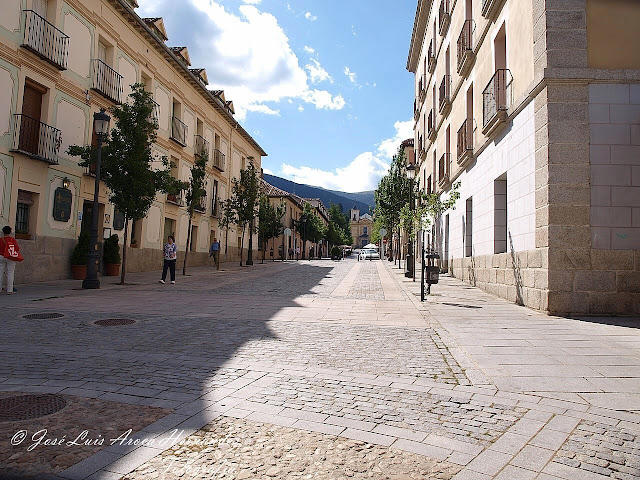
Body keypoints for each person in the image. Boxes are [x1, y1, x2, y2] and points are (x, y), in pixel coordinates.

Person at [0, 226, 23, 294]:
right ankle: (9, 290)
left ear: (3, 232)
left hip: (1, 256)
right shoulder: (12, 239)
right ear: (10, 232)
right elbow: (17, 248)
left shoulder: (0, 239)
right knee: (10, 273)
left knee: (0, 272)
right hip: (10, 257)